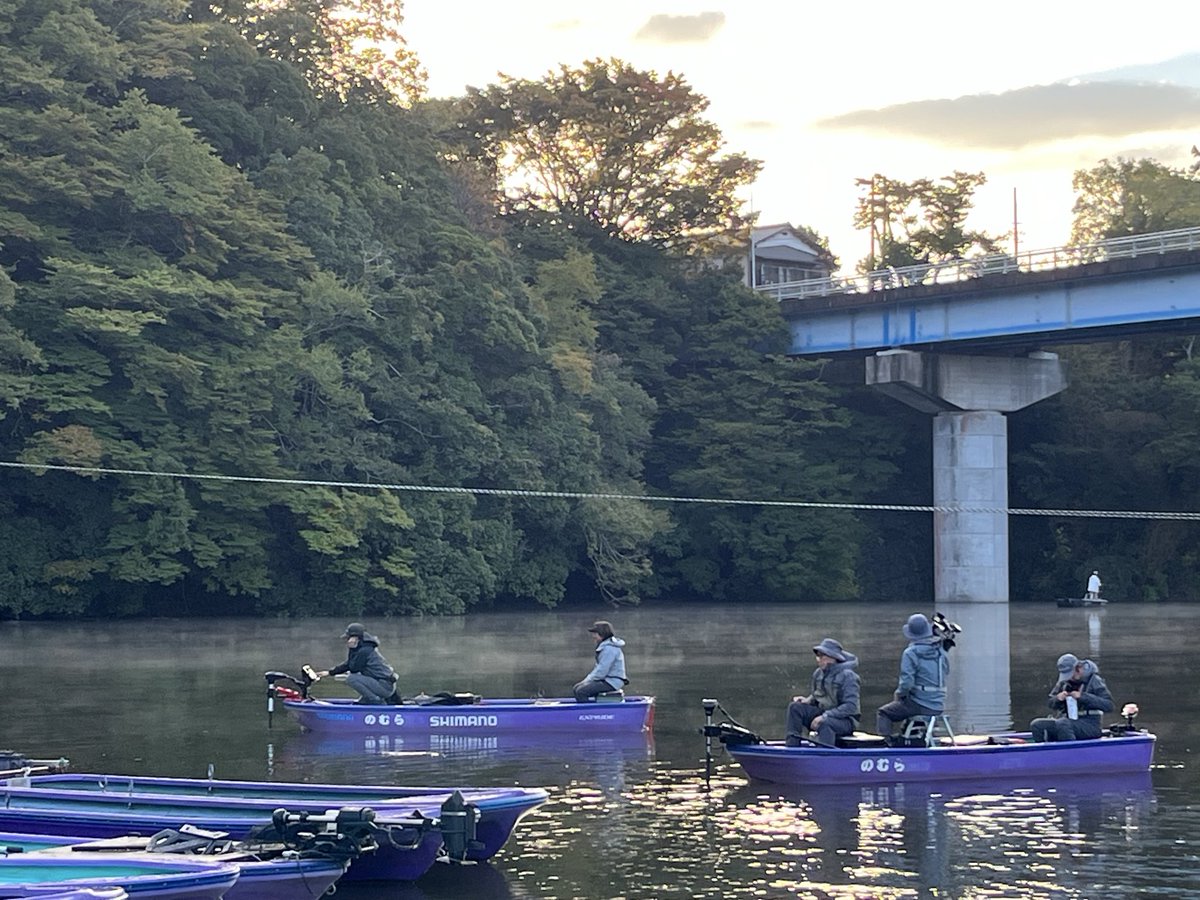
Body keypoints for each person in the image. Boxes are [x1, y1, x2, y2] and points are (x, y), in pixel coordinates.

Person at [875, 613, 950, 744]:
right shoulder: (940, 651)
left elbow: (906, 683)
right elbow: (946, 671)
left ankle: (885, 745)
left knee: (884, 713)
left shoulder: (910, 653)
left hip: (920, 705)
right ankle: (915, 741)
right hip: (938, 705)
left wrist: (899, 695)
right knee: (908, 708)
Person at [785, 637, 860, 747]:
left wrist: (825, 716)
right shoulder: (818, 674)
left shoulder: (849, 676)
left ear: (834, 657)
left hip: (845, 721)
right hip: (823, 713)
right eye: (818, 656)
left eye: (822, 656)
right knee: (795, 707)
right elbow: (817, 695)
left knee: (825, 723)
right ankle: (792, 746)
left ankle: (824, 752)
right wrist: (807, 700)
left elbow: (850, 707)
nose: (818, 660)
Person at [1030, 653, 1113, 742]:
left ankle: (1070, 749)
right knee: (1037, 724)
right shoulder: (1063, 682)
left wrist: (1083, 697)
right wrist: (1058, 699)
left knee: (1063, 724)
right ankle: (1045, 749)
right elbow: (1050, 702)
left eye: (1070, 674)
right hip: (1066, 721)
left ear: (1078, 668)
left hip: (1090, 724)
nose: (1069, 678)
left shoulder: (1094, 680)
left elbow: (1109, 705)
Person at [316, 622, 400, 705]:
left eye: (348, 638)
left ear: (355, 638)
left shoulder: (364, 651)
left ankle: (376, 701)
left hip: (384, 687)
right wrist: (330, 672)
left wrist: (351, 649)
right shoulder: (364, 648)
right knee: (355, 680)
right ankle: (368, 699)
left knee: (351, 678)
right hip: (382, 685)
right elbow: (348, 664)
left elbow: (353, 668)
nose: (347, 641)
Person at [573, 621, 628, 702]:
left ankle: (589, 710)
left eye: (595, 633)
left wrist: (587, 681)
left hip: (612, 682)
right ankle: (587, 707)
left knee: (581, 691)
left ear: (602, 634)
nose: (593, 636)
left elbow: (602, 671)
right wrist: (587, 681)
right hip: (607, 680)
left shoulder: (609, 649)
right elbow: (598, 669)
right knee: (577, 688)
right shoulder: (605, 647)